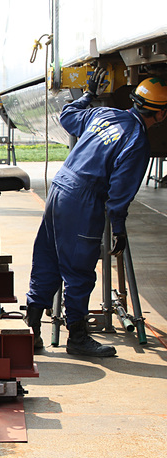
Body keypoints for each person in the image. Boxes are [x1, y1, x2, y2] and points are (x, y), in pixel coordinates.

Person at [26, 70, 167, 357]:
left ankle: (31, 332)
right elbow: (120, 192)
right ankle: (77, 337)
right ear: (161, 114)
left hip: (60, 186)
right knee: (78, 268)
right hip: (83, 198)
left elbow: (68, 117)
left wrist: (88, 95)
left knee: (48, 258)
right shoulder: (137, 139)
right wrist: (118, 227)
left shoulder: (104, 114)